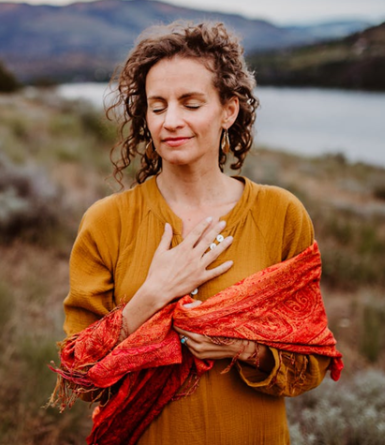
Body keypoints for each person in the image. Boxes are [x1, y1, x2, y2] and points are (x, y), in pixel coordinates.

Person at [56, 21, 340, 445]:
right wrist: (152, 296)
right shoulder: (107, 222)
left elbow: (311, 363)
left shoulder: (281, 214)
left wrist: (243, 349)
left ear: (229, 110)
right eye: (157, 106)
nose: (171, 121)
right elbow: (79, 374)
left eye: (190, 103)